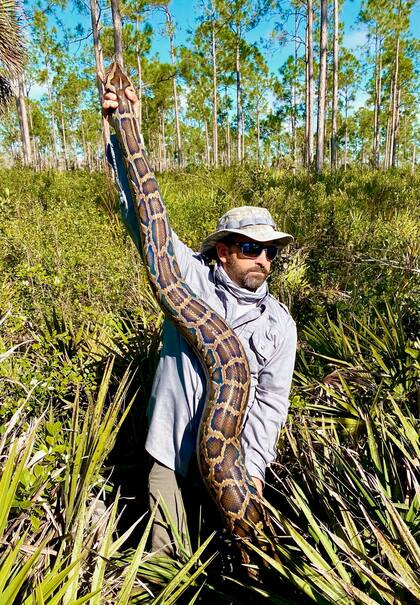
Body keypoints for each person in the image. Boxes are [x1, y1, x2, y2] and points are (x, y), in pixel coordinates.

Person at [103, 88, 297, 557]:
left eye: (270, 250)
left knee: (233, 568)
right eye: (251, 248)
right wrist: (120, 129)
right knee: (164, 561)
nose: (263, 258)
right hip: (170, 452)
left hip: (233, 467)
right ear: (223, 250)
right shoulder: (188, 275)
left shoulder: (279, 325)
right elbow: (143, 213)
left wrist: (250, 474)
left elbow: (271, 403)